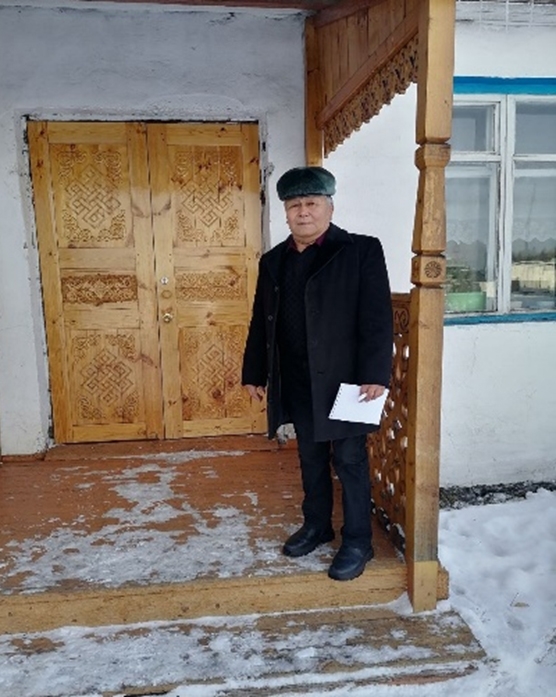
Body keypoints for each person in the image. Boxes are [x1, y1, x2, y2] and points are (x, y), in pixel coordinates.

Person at [242, 166, 393, 581]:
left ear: (329, 207)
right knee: (309, 457)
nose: (303, 212)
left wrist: (375, 373)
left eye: (311, 203)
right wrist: (254, 371)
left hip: (348, 381)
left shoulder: (361, 251)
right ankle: (317, 525)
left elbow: (377, 318)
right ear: (285, 212)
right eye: (295, 205)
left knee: (349, 460)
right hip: (297, 378)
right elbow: (261, 320)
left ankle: (358, 540)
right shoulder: (274, 261)